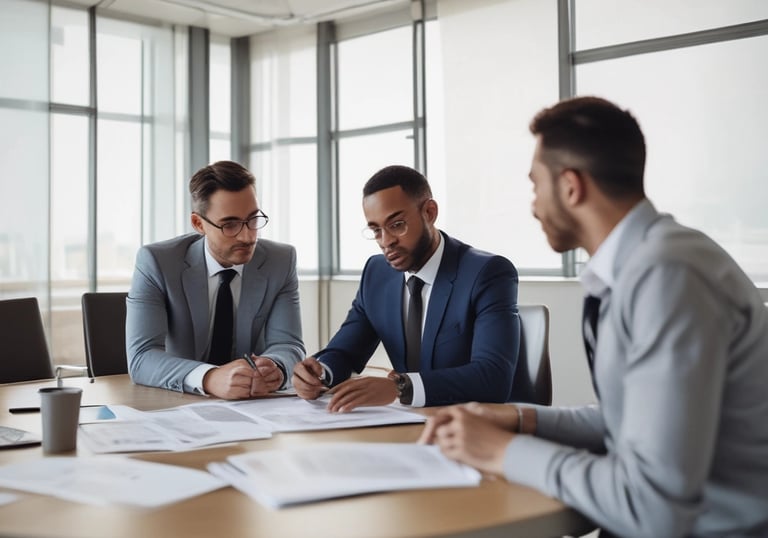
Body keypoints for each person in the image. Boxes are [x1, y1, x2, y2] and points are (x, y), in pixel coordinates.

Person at [419, 96, 768, 537]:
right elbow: (630, 421)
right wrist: (521, 419)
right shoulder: (643, 264)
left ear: (570, 186)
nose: (533, 206)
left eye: (535, 186)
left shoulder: (668, 275)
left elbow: (651, 508)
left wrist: (503, 452)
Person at [292, 164, 520, 412]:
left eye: (397, 224)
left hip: (473, 424)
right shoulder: (377, 273)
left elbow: (493, 378)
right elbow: (345, 351)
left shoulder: (486, 273)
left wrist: (401, 387)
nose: (386, 241)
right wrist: (319, 373)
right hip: (407, 423)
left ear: (429, 212)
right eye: (375, 230)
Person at [126, 160, 305, 400]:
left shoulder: (280, 261)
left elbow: (289, 344)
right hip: (176, 401)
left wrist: (276, 367)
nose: (247, 236)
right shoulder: (157, 262)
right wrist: (209, 378)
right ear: (199, 224)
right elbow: (142, 357)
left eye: (253, 219)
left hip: (254, 406)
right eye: (229, 225)